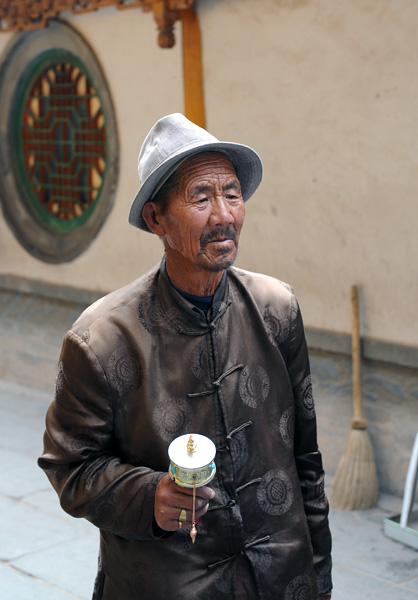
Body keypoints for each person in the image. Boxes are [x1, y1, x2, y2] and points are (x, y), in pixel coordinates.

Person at [39, 113, 333, 600]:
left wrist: (319, 577)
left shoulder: (276, 309)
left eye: (232, 193)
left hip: (282, 577)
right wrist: (149, 496)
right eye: (201, 197)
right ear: (156, 219)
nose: (224, 214)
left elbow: (306, 461)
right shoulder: (103, 339)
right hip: (167, 583)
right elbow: (69, 466)